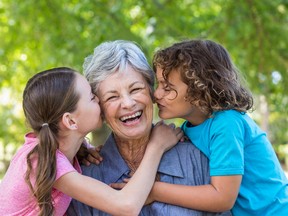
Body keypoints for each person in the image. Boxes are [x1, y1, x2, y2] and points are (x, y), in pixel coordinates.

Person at [67, 40, 231, 215]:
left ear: (152, 92)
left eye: (136, 89)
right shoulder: (85, 177)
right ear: (100, 109)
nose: (128, 104)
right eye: (112, 97)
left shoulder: (197, 157)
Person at [0, 67, 183, 216]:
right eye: (92, 97)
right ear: (71, 121)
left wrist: (84, 149)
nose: (99, 100)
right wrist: (157, 146)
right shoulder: (43, 160)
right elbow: (126, 206)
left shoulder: (63, 151)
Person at [151, 39, 288, 215]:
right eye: (158, 84)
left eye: (167, 88)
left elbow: (222, 198)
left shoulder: (227, 123)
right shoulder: (190, 128)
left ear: (198, 90)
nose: (156, 94)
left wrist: (154, 190)